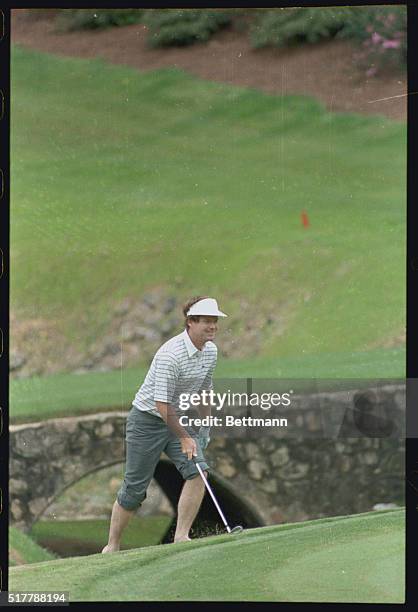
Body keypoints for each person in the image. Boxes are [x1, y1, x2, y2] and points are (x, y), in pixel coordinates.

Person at [102, 296, 227, 551]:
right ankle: (112, 546)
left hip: (176, 419)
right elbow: (161, 405)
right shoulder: (171, 355)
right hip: (147, 421)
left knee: (198, 471)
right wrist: (185, 437)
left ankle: (181, 537)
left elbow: (205, 388)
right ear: (190, 322)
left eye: (215, 321)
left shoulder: (211, 351)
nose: (212, 326)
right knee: (135, 489)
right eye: (206, 321)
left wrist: (204, 427)